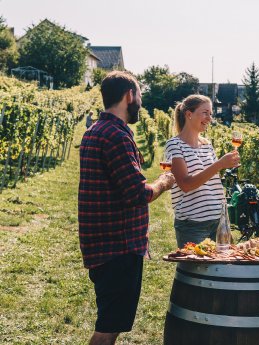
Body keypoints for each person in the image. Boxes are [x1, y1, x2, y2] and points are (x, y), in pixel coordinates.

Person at [78, 71, 175, 345]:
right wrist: (162, 183)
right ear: (129, 95)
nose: (140, 103)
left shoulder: (95, 131)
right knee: (108, 327)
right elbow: (137, 192)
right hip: (118, 247)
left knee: (111, 322)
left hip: (102, 244)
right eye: (140, 96)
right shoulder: (116, 136)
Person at [165, 94, 240, 248]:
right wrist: (219, 164)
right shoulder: (174, 145)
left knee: (222, 270)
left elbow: (210, 181)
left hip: (218, 221)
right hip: (192, 225)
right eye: (205, 113)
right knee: (194, 271)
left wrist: (223, 165)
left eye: (211, 114)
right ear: (189, 114)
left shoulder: (207, 145)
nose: (209, 118)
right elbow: (186, 184)